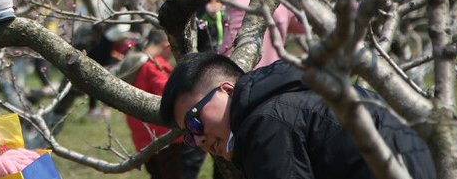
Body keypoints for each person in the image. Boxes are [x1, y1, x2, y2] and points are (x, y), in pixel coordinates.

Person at [158, 51, 439, 179]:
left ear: (227, 90)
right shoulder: (294, 97)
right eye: (190, 137)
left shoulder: (267, 122)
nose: (200, 140)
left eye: (196, 121)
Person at [118, 30, 204, 179]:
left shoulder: (134, 64)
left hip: (143, 138)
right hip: (164, 138)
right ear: (167, 46)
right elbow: (168, 97)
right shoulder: (154, 66)